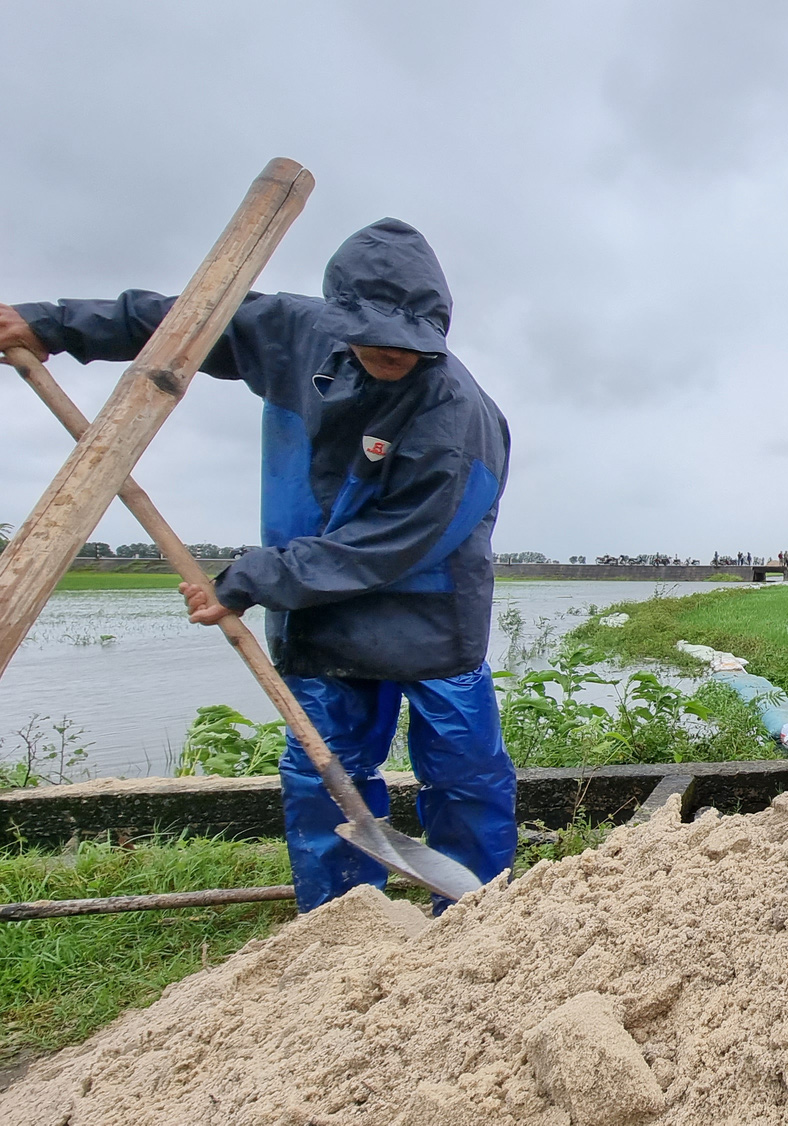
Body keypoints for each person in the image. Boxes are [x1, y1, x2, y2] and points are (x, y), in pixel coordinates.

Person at [0, 219, 515, 914]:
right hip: (320, 610)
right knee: (321, 775)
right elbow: (174, 324)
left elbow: (394, 542)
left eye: (409, 343)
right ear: (339, 321)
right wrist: (49, 325)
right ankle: (342, 924)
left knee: (464, 774)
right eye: (373, 337)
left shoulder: (458, 417)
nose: (392, 352)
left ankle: (478, 920)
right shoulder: (292, 334)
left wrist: (252, 580)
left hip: (430, 606)